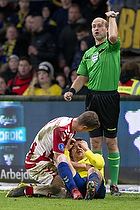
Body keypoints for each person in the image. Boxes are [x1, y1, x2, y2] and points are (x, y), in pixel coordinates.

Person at [64, 11, 122, 196]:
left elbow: (114, 35)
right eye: (93, 26)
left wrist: (112, 16)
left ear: (106, 29)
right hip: (93, 98)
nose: (96, 28)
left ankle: (114, 185)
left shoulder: (112, 46)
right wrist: (72, 90)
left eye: (99, 25)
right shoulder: (88, 54)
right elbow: (82, 77)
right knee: (95, 142)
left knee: (111, 142)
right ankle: (99, 181)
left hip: (110, 98)